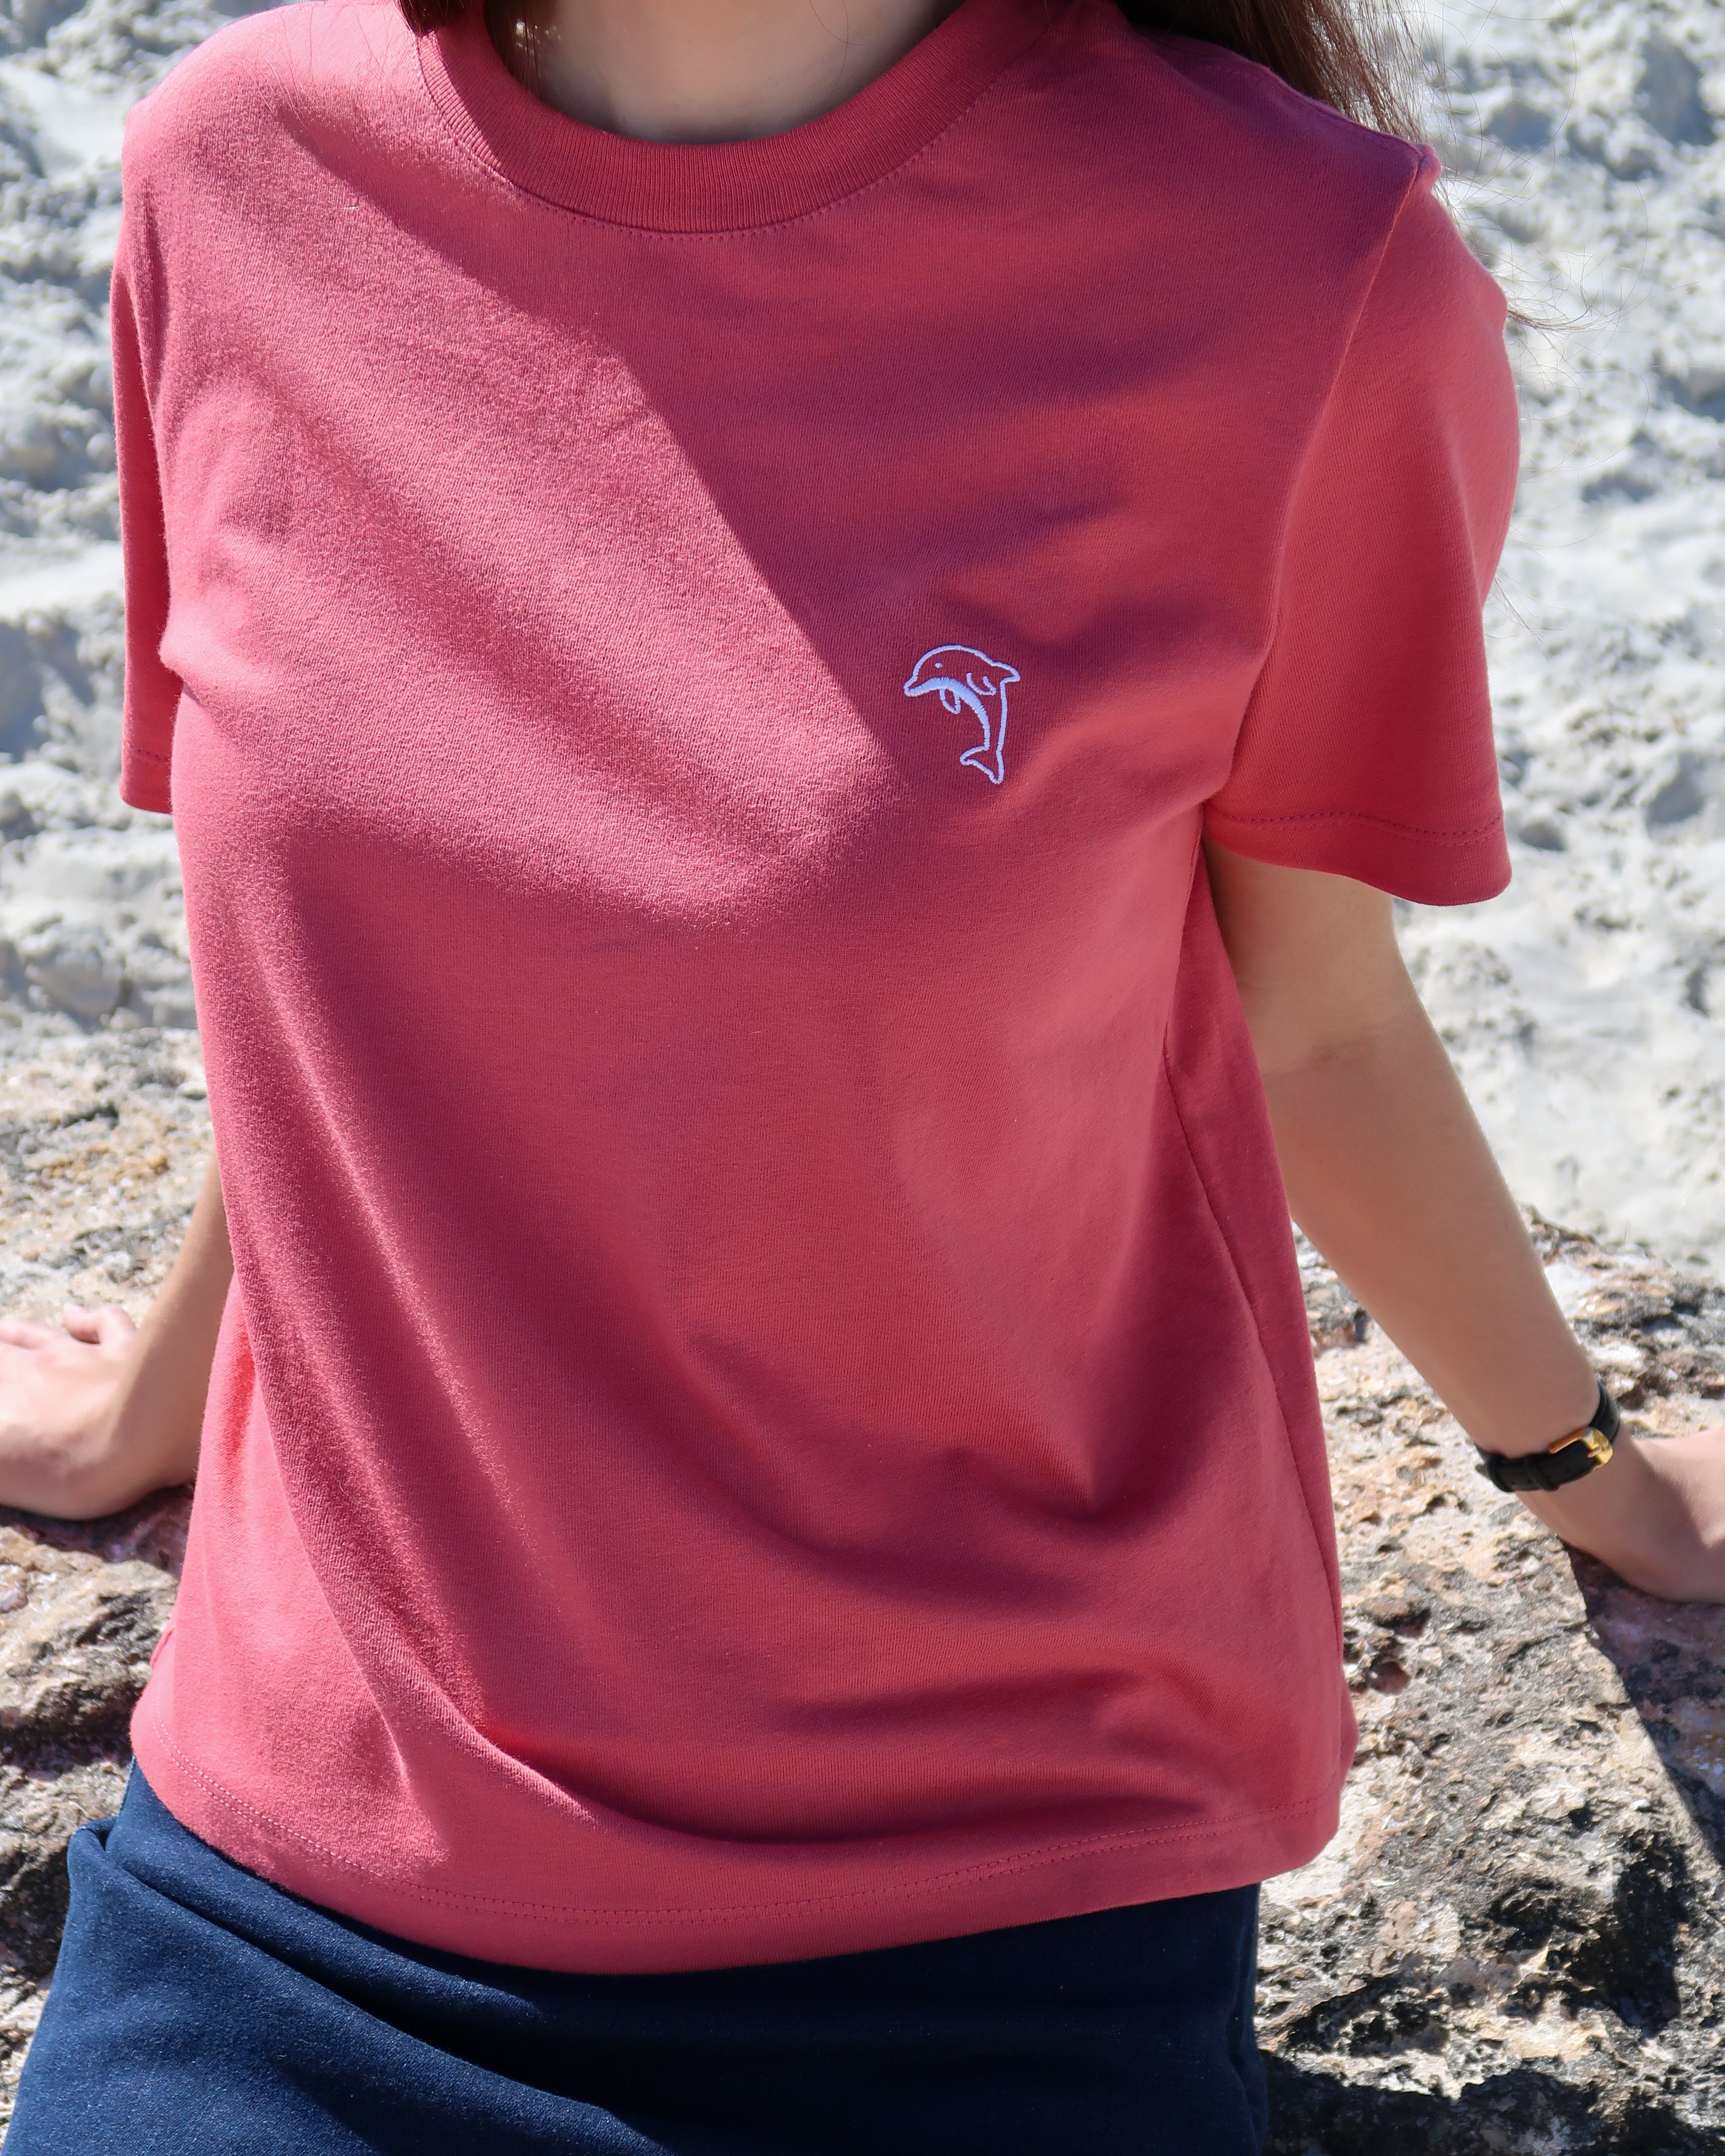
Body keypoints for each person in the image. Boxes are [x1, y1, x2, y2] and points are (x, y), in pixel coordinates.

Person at [3, 0, 1724, 2143]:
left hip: (995, 1888)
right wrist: (153, 1410)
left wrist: (1592, 1470)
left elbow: (1320, 1019)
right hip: (304, 1886)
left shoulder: (1296, 273)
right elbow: (363, 996)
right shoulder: (239, 175)